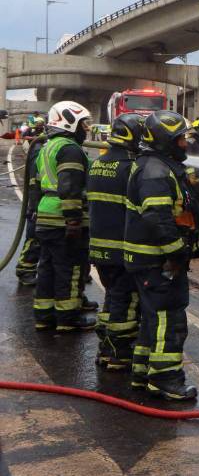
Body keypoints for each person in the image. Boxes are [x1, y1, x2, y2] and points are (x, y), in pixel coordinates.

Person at [124, 110, 199, 401]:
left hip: (153, 260)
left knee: (152, 319)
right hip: (159, 261)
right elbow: (158, 218)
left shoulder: (157, 166)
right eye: (180, 138)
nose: (185, 143)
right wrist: (177, 254)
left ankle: (144, 373)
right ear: (165, 140)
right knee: (170, 321)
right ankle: (166, 379)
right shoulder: (156, 171)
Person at [88, 114, 144, 369]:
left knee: (113, 298)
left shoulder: (98, 163)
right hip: (123, 249)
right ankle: (119, 354)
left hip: (99, 247)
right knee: (126, 301)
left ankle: (106, 348)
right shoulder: (131, 167)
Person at [32, 101, 94, 332]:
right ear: (69, 122)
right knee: (69, 267)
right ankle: (68, 318)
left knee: (47, 267)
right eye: (83, 123)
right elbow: (69, 186)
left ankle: (44, 315)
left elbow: (39, 184)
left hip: (47, 213)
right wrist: (74, 221)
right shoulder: (70, 149)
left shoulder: (47, 146)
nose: (86, 129)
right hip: (62, 217)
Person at [14, 117, 47, 286]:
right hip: (38, 203)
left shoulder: (46, 144)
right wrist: (34, 206)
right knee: (34, 238)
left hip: (45, 203)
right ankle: (25, 269)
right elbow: (35, 180)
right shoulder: (39, 147)